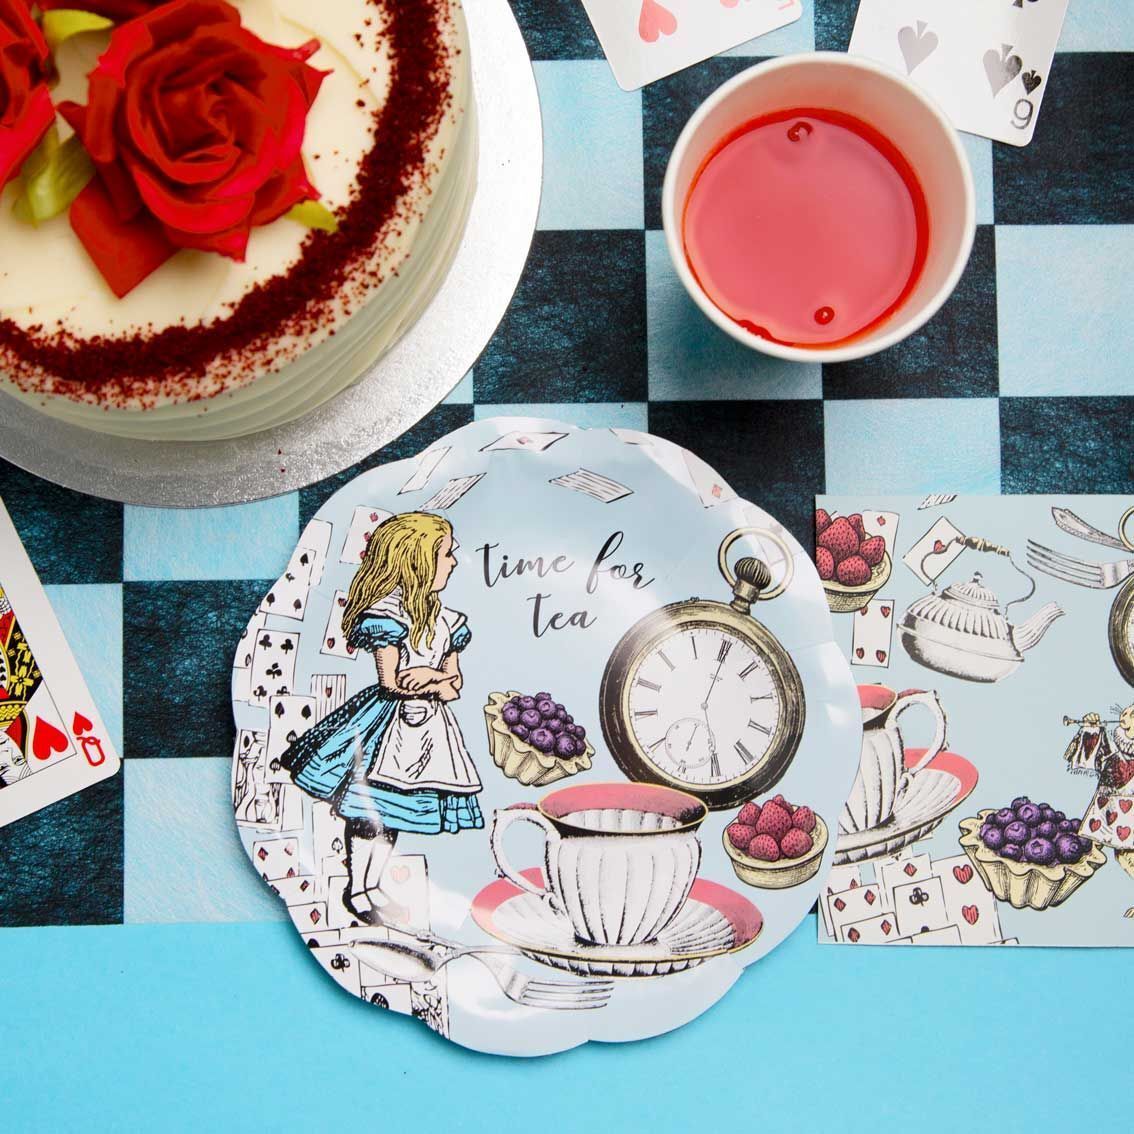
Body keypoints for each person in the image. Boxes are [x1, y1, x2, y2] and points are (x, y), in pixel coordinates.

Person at [280, 512, 482, 926]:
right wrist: (433, 680)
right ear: (417, 561)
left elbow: (454, 684)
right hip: (386, 729)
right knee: (370, 811)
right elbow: (391, 682)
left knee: (392, 815)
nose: (453, 562)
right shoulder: (387, 616)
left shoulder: (447, 620)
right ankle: (357, 888)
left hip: (429, 731)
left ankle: (372, 886)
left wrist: (430, 678)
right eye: (446, 554)